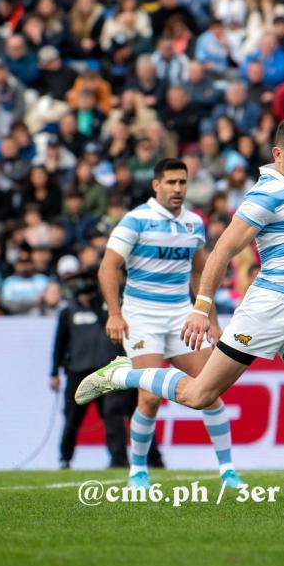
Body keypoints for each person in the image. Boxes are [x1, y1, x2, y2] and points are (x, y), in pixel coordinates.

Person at [75, 114, 284, 499]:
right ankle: (124, 374)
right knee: (198, 395)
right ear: (278, 155)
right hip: (266, 310)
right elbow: (221, 250)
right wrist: (201, 308)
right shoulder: (265, 196)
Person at [94, 158, 242, 489]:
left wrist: (210, 319)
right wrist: (115, 313)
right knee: (149, 398)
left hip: (181, 316)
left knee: (210, 390)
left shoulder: (194, 223)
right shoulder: (135, 220)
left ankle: (228, 471)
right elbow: (108, 267)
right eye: (171, 182)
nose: (177, 189)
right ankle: (138, 471)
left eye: (182, 182)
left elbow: (200, 273)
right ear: (156, 185)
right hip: (142, 317)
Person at [50, 268, 161, 469]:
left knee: (118, 414)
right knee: (72, 418)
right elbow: (60, 343)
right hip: (78, 370)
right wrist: (54, 372)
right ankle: (65, 459)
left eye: (85, 281)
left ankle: (126, 459)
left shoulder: (109, 308)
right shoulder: (68, 311)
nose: (81, 286)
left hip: (109, 370)